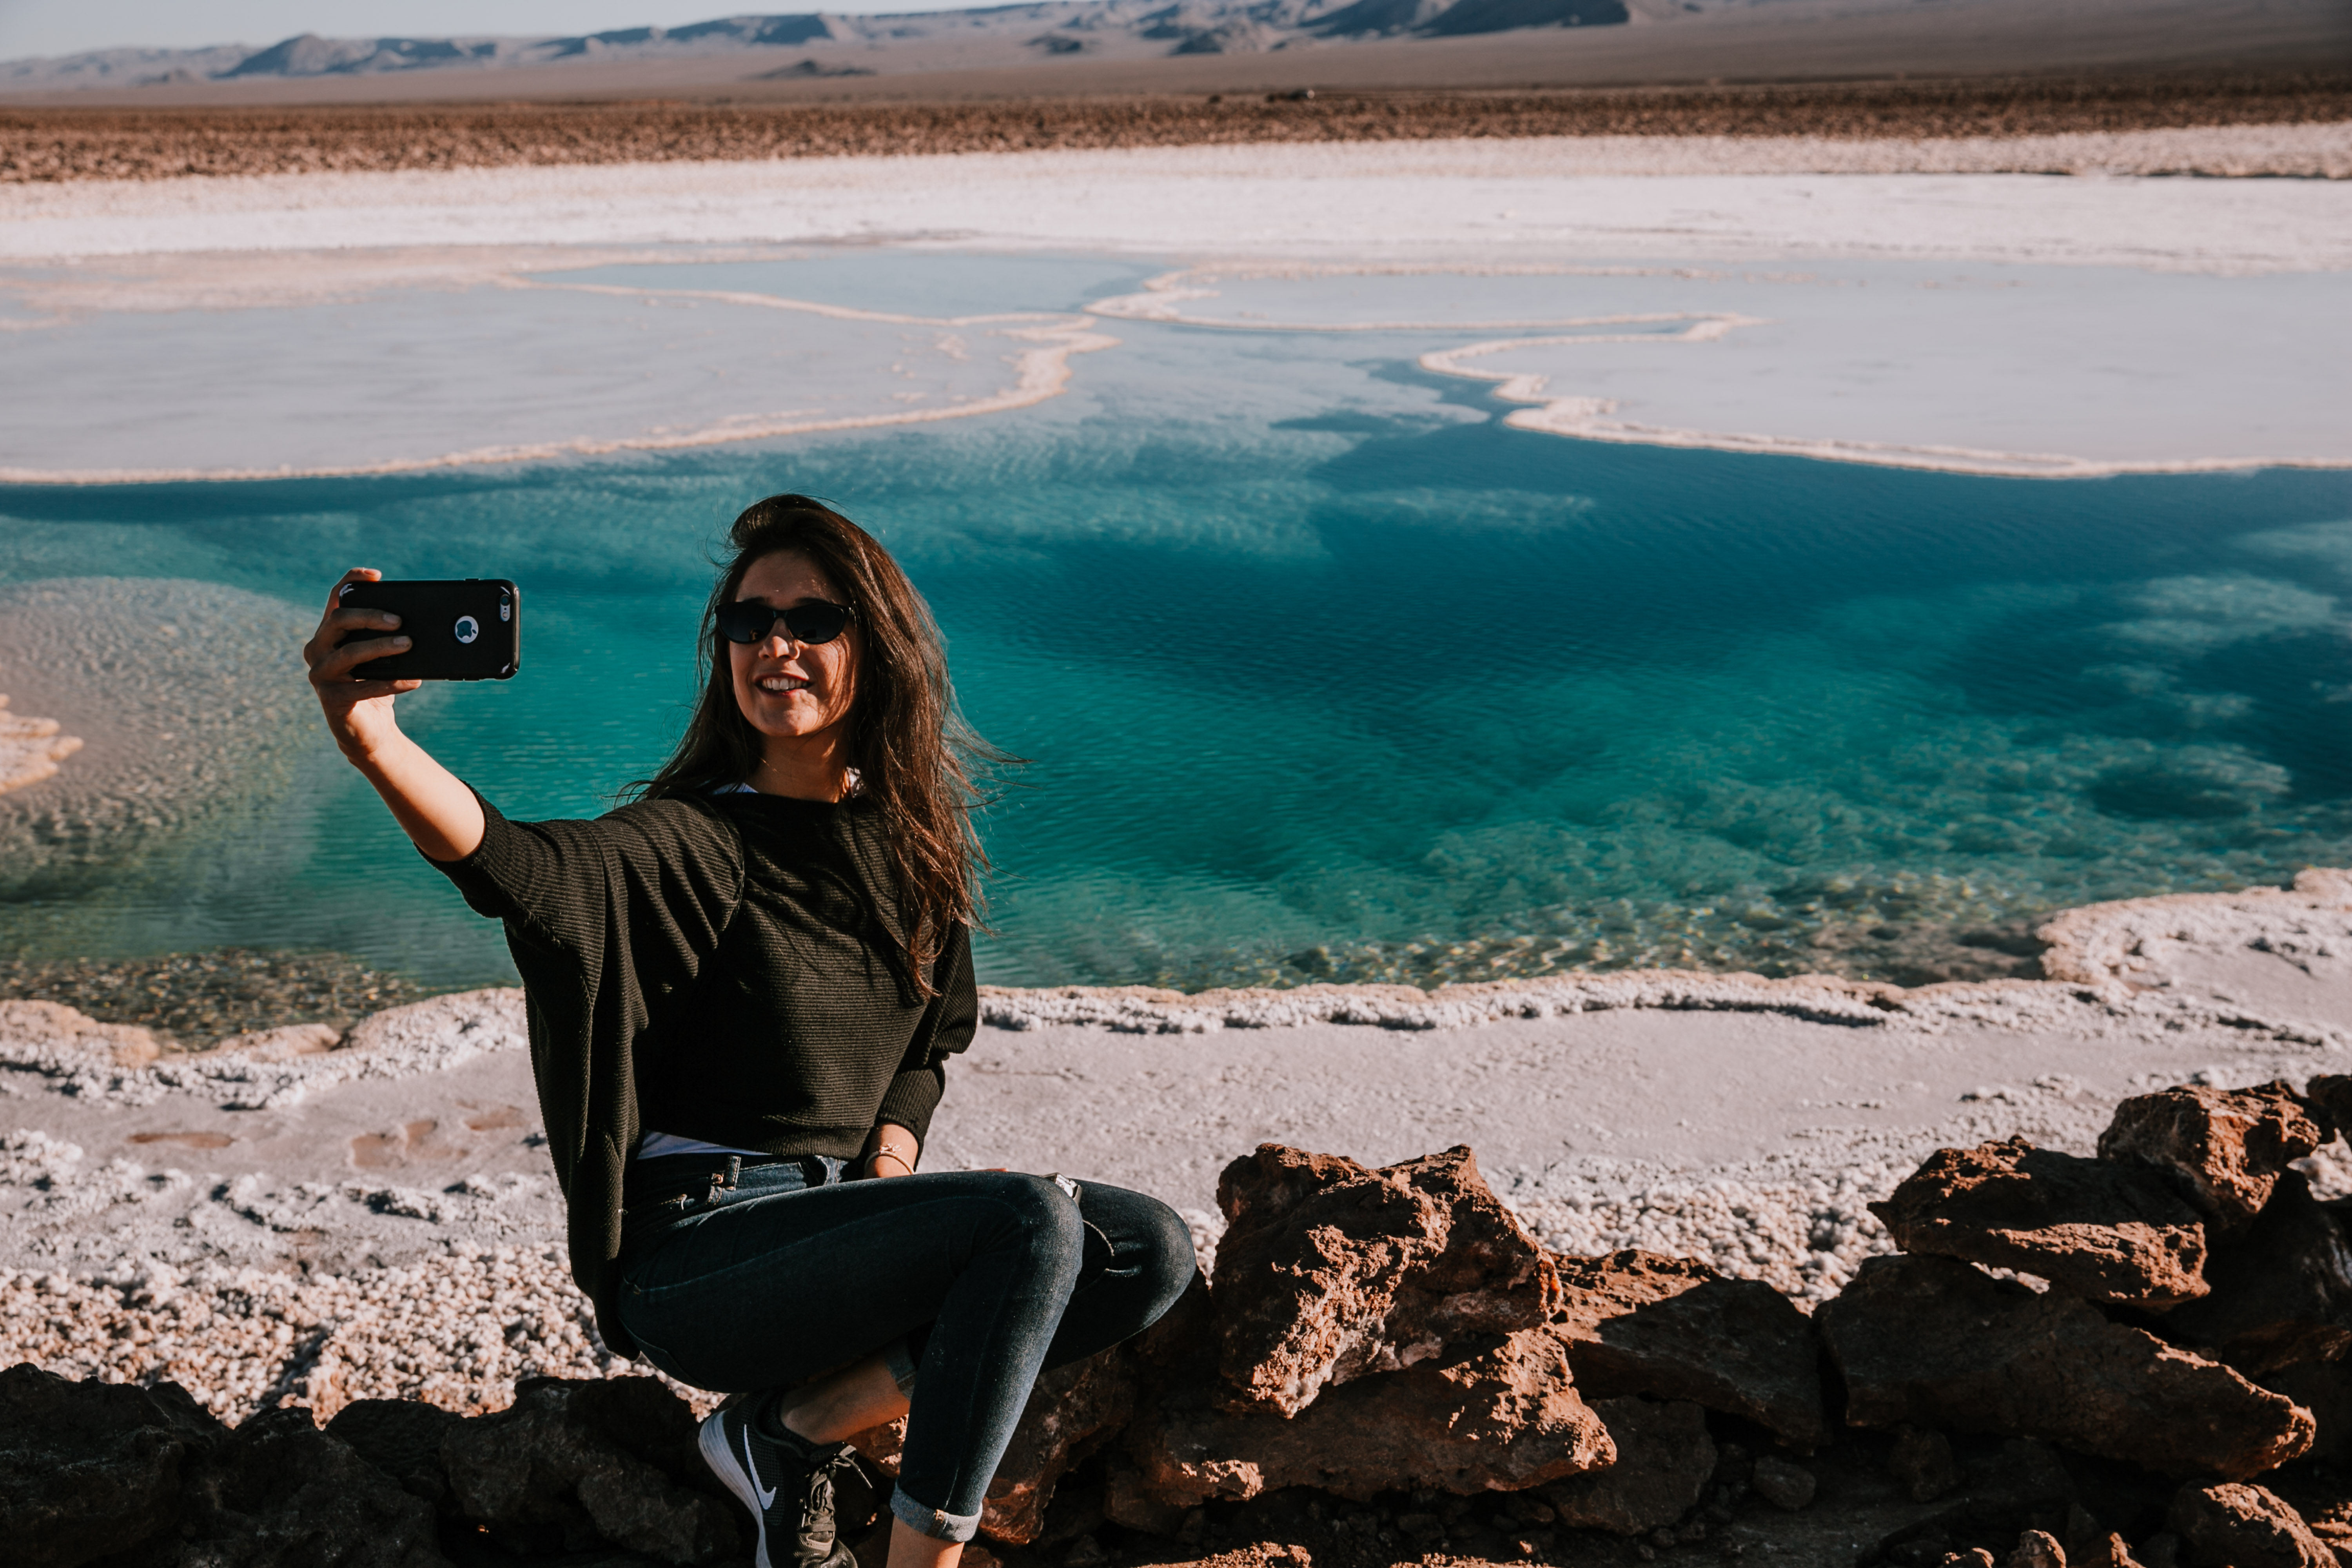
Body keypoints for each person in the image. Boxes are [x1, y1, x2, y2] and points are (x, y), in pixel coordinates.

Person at [303, 494, 1197, 1568]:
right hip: (701, 1259)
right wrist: (370, 740)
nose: (775, 645)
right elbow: (522, 870)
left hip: (845, 1231)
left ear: (876, 644)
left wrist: (888, 1168)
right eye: (748, 621)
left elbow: (928, 1046)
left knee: (1148, 1250)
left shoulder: (915, 848)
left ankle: (793, 1431)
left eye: (814, 621)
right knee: (1029, 1223)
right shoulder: (699, 838)